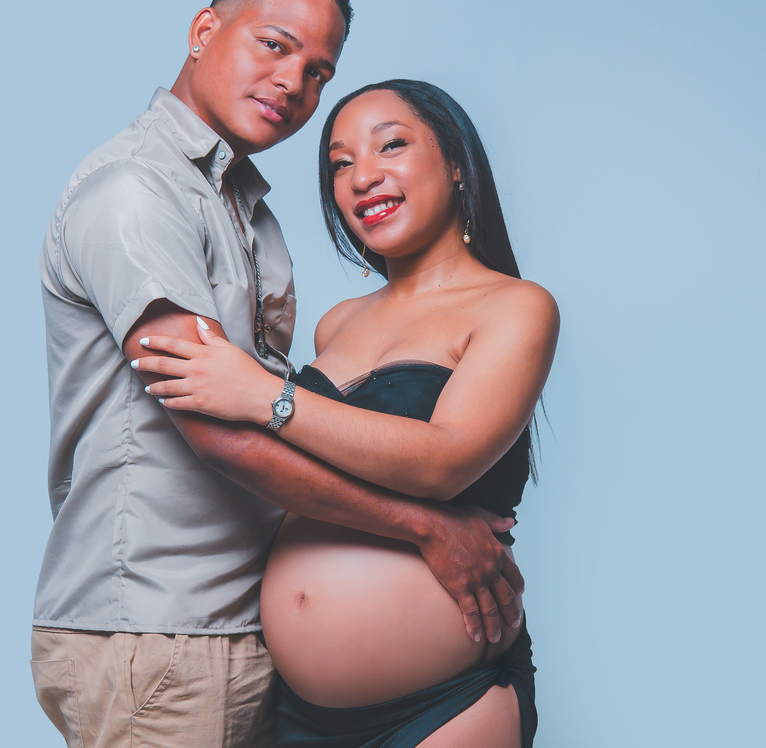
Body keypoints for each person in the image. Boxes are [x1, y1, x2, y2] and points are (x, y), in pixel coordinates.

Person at [33, 0, 526, 746]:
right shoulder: (137, 192)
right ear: (204, 31)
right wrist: (427, 528)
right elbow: (217, 429)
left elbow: (271, 413)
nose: (294, 81)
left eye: (318, 70)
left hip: (240, 638)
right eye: (274, 45)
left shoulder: (246, 211)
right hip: (162, 630)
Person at [134, 80, 560, 747]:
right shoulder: (337, 324)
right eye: (340, 163)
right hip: (294, 711)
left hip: (445, 706)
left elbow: (444, 461)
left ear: (455, 163)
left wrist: (265, 396)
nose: (363, 177)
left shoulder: (516, 306)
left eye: (391, 145)